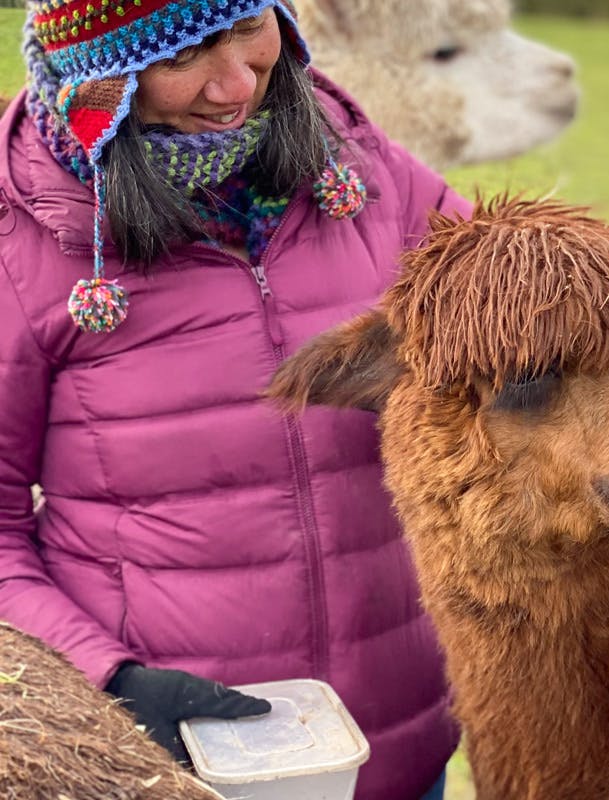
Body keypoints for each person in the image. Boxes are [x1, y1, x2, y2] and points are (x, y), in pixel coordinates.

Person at [0, 2, 471, 798]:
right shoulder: (23, 237)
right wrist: (109, 681)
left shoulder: (354, 157)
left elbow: (530, 307)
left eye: (250, 29)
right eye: (186, 56)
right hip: (179, 759)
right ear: (98, 74)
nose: (236, 85)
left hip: (404, 742)